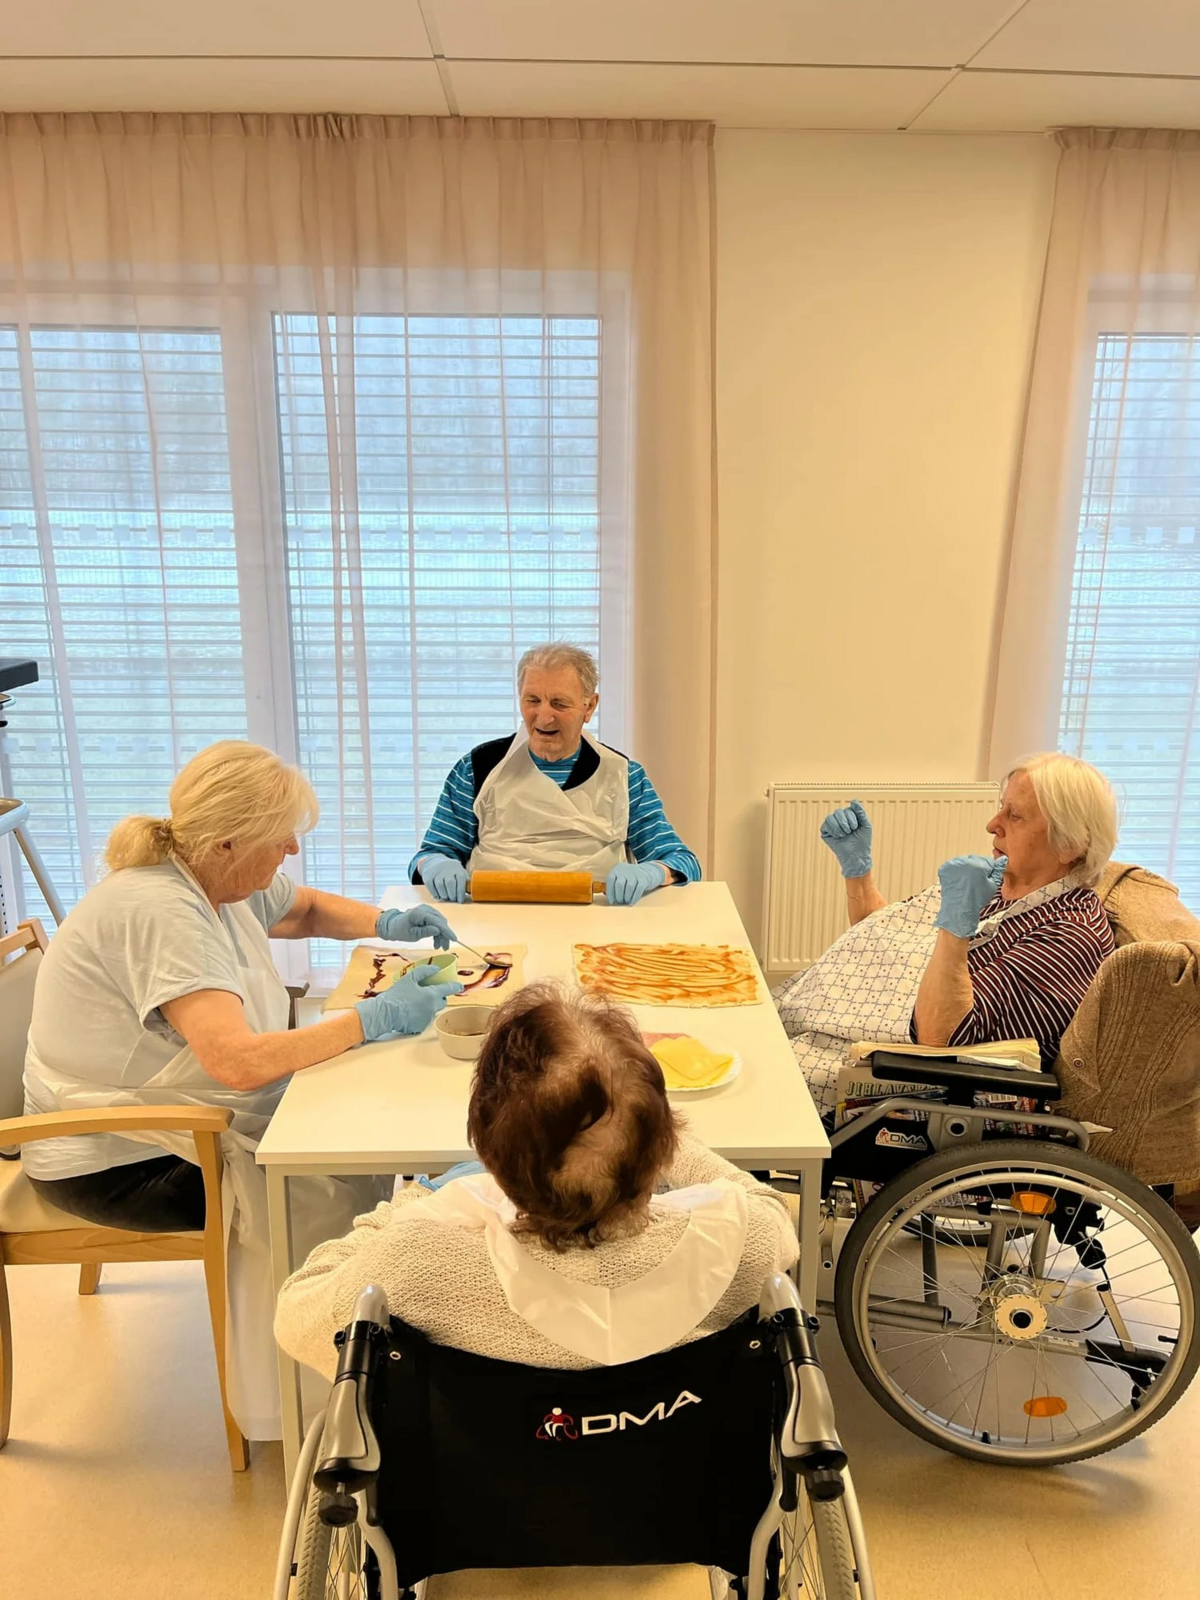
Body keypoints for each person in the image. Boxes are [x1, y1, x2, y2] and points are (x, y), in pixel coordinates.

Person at [21, 739, 464, 1437]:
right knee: (328, 1174)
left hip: (160, 1118)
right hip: (115, 1161)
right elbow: (236, 1063)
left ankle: (369, 1343)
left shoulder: (205, 873)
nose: (292, 849)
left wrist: (386, 924)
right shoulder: (163, 912)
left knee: (350, 1133)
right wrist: (372, 1019)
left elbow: (304, 909)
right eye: (280, 836)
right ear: (228, 841)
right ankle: (322, 1400)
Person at [275, 983, 797, 1376]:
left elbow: (296, 1315)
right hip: (679, 1488)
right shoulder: (739, 1241)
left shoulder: (416, 1260)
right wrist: (650, 1133)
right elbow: (769, 1207)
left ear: (487, 1153)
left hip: (483, 1488)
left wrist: (410, 1201)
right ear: (662, 1149)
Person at [776, 753, 1119, 1116]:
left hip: (913, 1082)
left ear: (1070, 844)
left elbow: (941, 1038)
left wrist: (956, 925)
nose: (992, 824)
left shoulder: (1068, 935)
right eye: (1001, 808)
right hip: (850, 1034)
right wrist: (858, 872)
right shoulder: (998, 885)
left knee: (758, 1084)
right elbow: (886, 949)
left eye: (1015, 816)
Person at [410, 643, 701, 906]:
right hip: (496, 918)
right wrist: (435, 864)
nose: (544, 716)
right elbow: (430, 854)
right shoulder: (477, 768)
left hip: (596, 920)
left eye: (559, 704)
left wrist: (653, 872)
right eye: (532, 700)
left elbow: (682, 861)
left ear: (589, 706)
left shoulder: (624, 776)